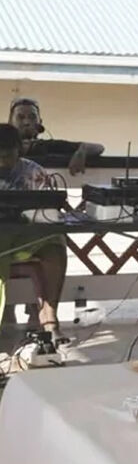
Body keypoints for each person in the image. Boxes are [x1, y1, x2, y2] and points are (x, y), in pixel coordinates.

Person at [0, 123, 68, 338]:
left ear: (18, 150)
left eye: (7, 156)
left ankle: (49, 317)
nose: (2, 161)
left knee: (55, 244)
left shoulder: (34, 171)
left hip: (26, 234)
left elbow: (47, 208)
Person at [10, 98, 105, 176]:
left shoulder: (48, 145)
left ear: (40, 122)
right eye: (20, 117)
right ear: (10, 122)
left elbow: (99, 148)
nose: (27, 122)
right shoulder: (4, 145)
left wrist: (81, 152)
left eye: (32, 117)